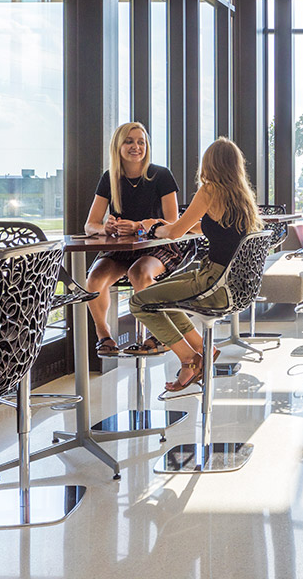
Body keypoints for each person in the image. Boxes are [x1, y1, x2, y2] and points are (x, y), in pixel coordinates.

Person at [129, 138, 260, 393]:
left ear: (210, 164)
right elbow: (210, 227)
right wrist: (168, 224)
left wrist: (152, 227)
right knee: (161, 292)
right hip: (231, 283)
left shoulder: (210, 190)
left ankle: (188, 360)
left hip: (213, 283)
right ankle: (203, 348)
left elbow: (175, 231)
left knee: (139, 302)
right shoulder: (242, 196)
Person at [83, 122, 185, 357]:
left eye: (141, 142)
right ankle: (104, 335)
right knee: (94, 279)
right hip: (121, 249)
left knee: (138, 273)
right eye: (129, 141)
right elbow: (90, 225)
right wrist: (105, 228)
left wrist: (140, 225)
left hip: (156, 247)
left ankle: (157, 335)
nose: (135, 146)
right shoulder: (110, 178)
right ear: (118, 145)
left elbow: (173, 222)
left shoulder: (161, 175)